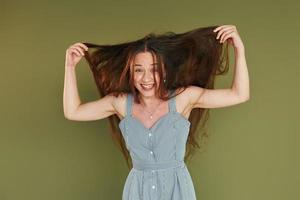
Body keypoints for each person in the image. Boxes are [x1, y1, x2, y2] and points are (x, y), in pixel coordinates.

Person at [63, 24, 250, 199]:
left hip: (176, 189)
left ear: (165, 72)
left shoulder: (183, 99)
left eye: (154, 70)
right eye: (138, 70)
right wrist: (69, 67)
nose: (146, 78)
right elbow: (73, 112)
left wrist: (239, 49)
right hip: (138, 190)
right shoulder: (119, 103)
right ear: (131, 74)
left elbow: (239, 94)